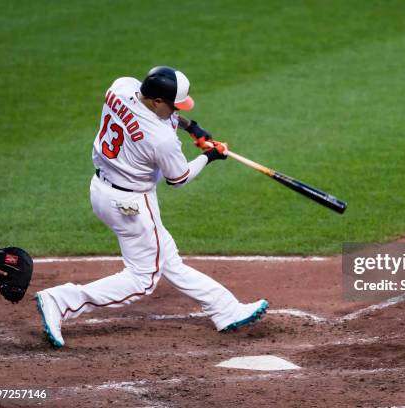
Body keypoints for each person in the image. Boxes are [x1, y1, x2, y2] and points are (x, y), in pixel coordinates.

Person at [35, 66, 268, 348]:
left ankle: (225, 309)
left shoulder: (121, 87)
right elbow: (178, 178)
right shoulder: (161, 140)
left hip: (101, 189)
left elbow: (158, 117)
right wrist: (210, 156)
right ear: (157, 101)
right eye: (172, 106)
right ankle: (61, 300)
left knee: (167, 259)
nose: (174, 110)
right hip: (131, 205)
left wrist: (190, 127)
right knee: (142, 280)